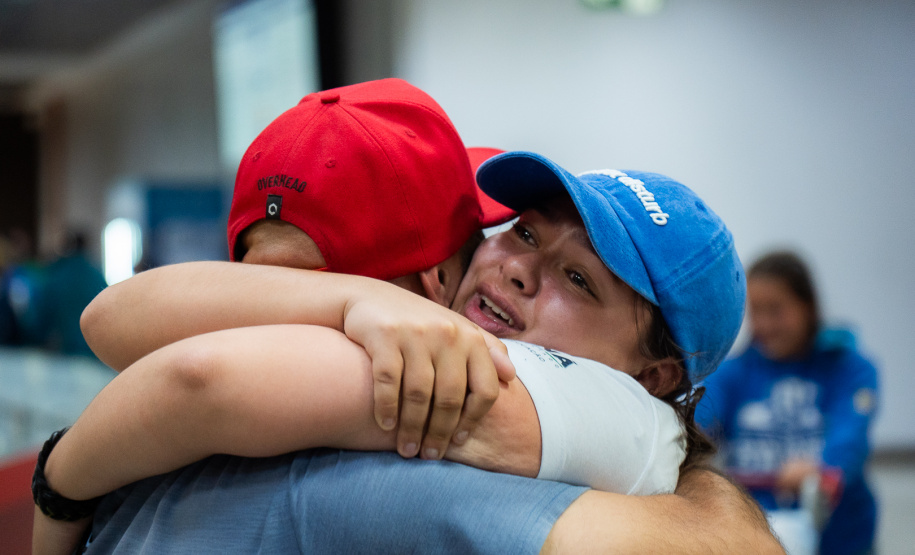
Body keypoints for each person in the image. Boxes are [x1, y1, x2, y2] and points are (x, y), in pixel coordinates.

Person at [33, 79, 775, 552]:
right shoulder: (394, 456)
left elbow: (134, 331)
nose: (515, 263)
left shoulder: (166, 421)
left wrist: (61, 477)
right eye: (519, 231)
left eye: (577, 278)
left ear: (655, 374)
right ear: (434, 284)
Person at [696, 250, 879, 555]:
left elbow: (851, 434)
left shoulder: (849, 368)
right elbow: (699, 419)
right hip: (758, 535)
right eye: (756, 311)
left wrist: (823, 469)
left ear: (808, 307)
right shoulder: (733, 372)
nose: (765, 324)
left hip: (840, 536)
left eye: (776, 310)